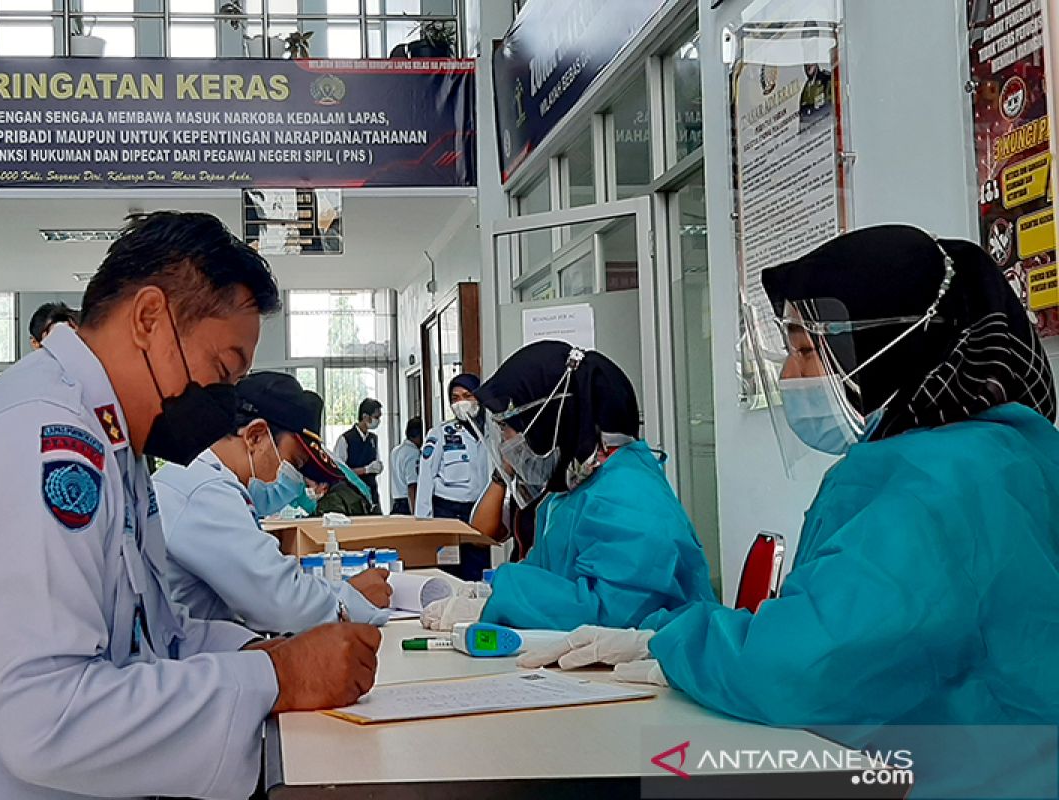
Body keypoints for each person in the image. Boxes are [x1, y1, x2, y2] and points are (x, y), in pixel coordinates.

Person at [520, 226, 1059, 795]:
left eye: (806, 350)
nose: (787, 376)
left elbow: (811, 664)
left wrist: (674, 643)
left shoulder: (937, 485)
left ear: (895, 348)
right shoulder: (995, 454)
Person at [0, 212, 380, 799]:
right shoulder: (40, 442)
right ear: (150, 318)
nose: (224, 401)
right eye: (222, 370)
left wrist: (272, 653)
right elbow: (47, 719)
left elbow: (152, 637)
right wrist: (277, 676)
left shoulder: (112, 441)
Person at [421, 344, 716, 632]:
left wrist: (500, 603)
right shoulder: (568, 493)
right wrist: (490, 593)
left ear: (547, 423)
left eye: (507, 429)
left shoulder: (629, 493)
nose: (505, 444)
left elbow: (615, 614)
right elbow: (544, 576)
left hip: (651, 670)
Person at [154, 371, 392, 633]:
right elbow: (281, 603)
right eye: (294, 463)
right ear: (256, 436)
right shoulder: (204, 491)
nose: (295, 481)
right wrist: (349, 601)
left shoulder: (209, 482)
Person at [414, 373, 491, 520]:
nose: (461, 402)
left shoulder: (491, 433)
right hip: (448, 510)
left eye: (467, 396)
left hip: (480, 509)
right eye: (455, 398)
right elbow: (425, 478)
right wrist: (423, 520)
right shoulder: (439, 434)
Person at [334, 397, 384, 514]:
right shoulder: (346, 439)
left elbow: (375, 462)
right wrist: (365, 470)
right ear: (365, 417)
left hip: (372, 492)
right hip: (352, 495)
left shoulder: (373, 439)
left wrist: (377, 468)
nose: (378, 421)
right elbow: (339, 471)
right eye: (376, 417)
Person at [389, 415, 423, 515]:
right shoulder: (413, 453)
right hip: (408, 504)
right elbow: (412, 486)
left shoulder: (396, 450)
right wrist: (415, 513)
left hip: (397, 503)